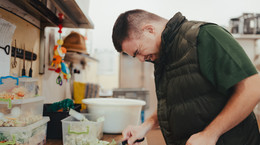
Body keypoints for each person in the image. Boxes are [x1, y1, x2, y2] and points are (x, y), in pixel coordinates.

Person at [112, 9, 260, 145]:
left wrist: (210, 134)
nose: (141, 59)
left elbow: (254, 87)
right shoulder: (162, 57)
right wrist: (145, 126)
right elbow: (174, 102)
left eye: (138, 51)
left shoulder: (205, 35)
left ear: (149, 30)